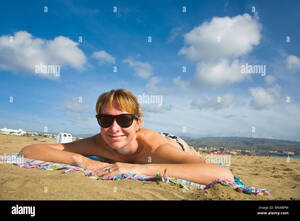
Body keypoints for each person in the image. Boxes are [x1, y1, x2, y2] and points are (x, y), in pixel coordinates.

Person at [19, 89, 234, 185]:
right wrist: (81, 160)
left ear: (138, 122)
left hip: (174, 142)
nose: (114, 128)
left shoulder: (155, 150)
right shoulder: (97, 143)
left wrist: (137, 168)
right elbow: (29, 151)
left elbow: (222, 174)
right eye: (105, 120)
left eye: (124, 120)